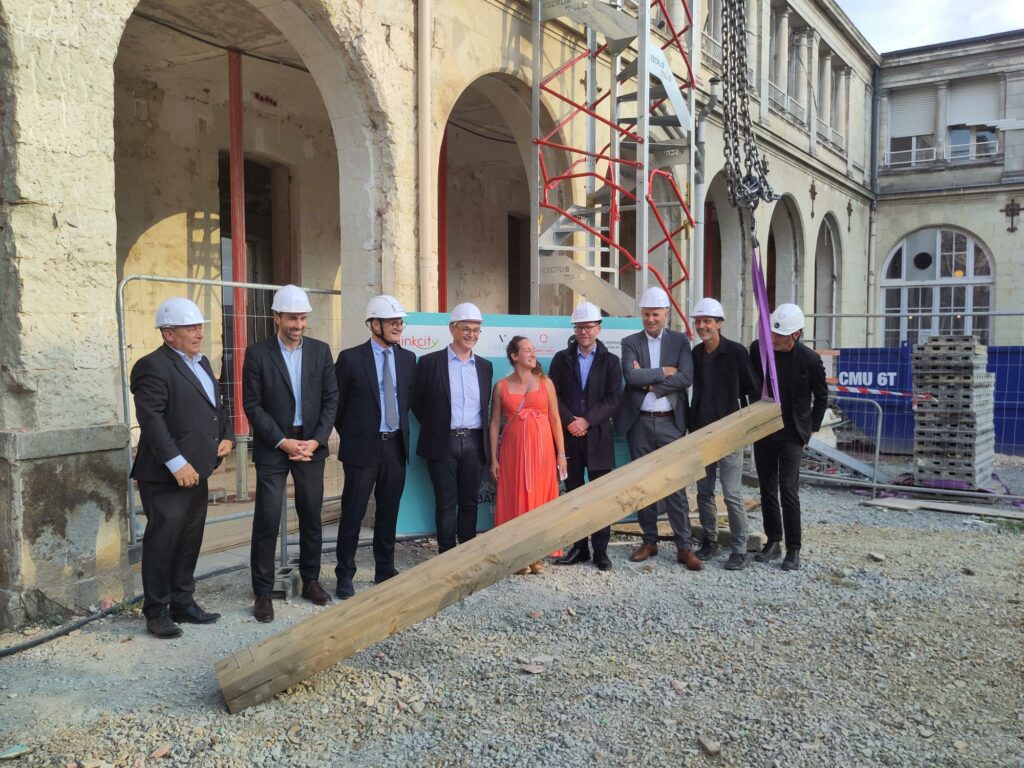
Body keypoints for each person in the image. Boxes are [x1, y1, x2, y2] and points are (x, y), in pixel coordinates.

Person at [130, 297, 233, 638]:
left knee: (190, 537)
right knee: (163, 539)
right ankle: (156, 610)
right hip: (165, 474)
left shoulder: (201, 363)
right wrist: (176, 463)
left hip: (198, 469)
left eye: (199, 326)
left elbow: (217, 405)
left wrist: (227, 435)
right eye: (190, 328)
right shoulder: (152, 366)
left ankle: (183, 602)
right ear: (168, 334)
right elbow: (151, 419)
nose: (198, 333)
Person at [242, 285, 339, 623]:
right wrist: (282, 441)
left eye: (302, 318)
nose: (298, 324)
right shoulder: (257, 354)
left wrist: (315, 440)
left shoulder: (320, 351)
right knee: (267, 518)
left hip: (310, 444)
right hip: (275, 446)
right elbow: (252, 405)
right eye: (291, 318)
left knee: (312, 515)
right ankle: (263, 593)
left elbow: (331, 400)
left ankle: (311, 580)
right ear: (276, 318)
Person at [334, 295, 416, 598]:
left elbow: (409, 401)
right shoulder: (350, 359)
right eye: (393, 322)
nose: (399, 327)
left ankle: (385, 568)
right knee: (353, 513)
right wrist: (356, 435)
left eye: (400, 322)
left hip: (395, 448)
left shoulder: (408, 360)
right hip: (362, 450)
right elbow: (337, 407)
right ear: (374, 324)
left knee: (388, 512)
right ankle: (345, 575)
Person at [616, 286, 702, 570]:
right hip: (639, 424)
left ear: (666, 314)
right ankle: (649, 540)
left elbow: (687, 377)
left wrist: (649, 381)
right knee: (643, 484)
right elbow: (630, 376)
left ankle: (684, 546)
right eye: (646, 314)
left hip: (670, 423)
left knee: (675, 485)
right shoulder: (630, 342)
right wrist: (664, 372)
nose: (650, 319)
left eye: (655, 314)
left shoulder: (679, 342)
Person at [749, 303, 828, 571]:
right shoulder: (761, 351)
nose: (774, 339)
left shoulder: (810, 359)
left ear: (796, 334)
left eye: (780, 336)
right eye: (772, 333)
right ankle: (773, 540)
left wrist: (811, 429)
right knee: (767, 488)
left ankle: (794, 548)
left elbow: (822, 396)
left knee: (788, 489)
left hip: (793, 433)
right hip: (765, 430)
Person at [411, 302, 493, 554]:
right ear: (452, 329)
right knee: (446, 502)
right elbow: (416, 402)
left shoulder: (484, 367)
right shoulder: (429, 363)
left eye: (476, 330)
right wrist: (437, 426)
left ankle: (466, 552)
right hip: (442, 442)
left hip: (474, 442)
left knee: (469, 502)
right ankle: (446, 554)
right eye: (466, 329)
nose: (471, 335)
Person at [549, 302, 622, 571]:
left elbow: (614, 399)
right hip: (570, 437)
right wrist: (571, 422)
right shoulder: (561, 359)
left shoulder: (611, 361)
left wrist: (587, 421)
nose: (584, 331)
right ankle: (579, 547)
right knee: (575, 495)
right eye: (580, 327)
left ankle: (600, 550)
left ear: (598, 329)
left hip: (598, 436)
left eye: (589, 327)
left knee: (601, 495)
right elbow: (553, 395)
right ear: (575, 329)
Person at [488, 336, 568, 574]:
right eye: (527, 351)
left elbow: (555, 419)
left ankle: (536, 554)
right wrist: (493, 458)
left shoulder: (546, 383)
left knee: (540, 500)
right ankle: (517, 555)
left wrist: (561, 454)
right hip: (512, 453)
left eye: (534, 350)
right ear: (514, 356)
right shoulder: (501, 386)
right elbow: (494, 424)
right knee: (516, 499)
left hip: (542, 452)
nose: (533, 354)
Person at [689, 297, 758, 571]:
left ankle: (739, 549)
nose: (703, 326)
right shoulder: (696, 353)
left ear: (719, 323)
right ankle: (710, 540)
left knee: (731, 494)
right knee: (704, 492)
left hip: (729, 435)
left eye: (708, 321)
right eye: (699, 321)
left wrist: (741, 424)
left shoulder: (737, 353)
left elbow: (753, 391)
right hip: (702, 434)